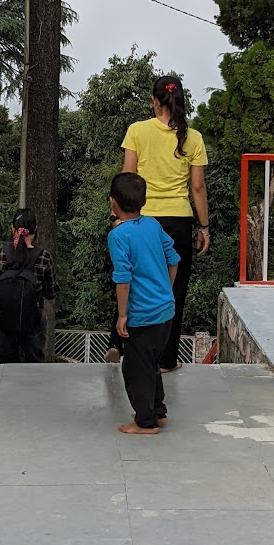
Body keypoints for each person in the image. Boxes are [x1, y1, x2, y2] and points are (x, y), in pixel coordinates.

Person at [109, 74, 209, 373]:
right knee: (173, 291)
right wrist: (204, 227)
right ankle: (165, 361)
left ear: (154, 101)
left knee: (128, 278)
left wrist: (117, 218)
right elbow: (198, 188)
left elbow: (128, 178)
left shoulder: (137, 131)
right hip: (178, 220)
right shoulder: (194, 138)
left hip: (140, 218)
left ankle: (119, 342)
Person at [108, 171, 179, 435]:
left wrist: (122, 315)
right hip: (165, 312)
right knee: (152, 363)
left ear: (112, 202)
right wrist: (165, 290)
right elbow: (173, 260)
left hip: (141, 315)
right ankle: (158, 412)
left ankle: (145, 422)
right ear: (144, 201)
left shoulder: (118, 237)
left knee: (136, 370)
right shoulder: (153, 224)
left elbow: (123, 278)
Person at [0, 209, 55, 364]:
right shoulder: (44, 257)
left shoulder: (0, 254)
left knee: (3, 369)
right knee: (33, 368)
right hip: (33, 323)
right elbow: (50, 293)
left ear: (13, 229)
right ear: (35, 230)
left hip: (4, 323)